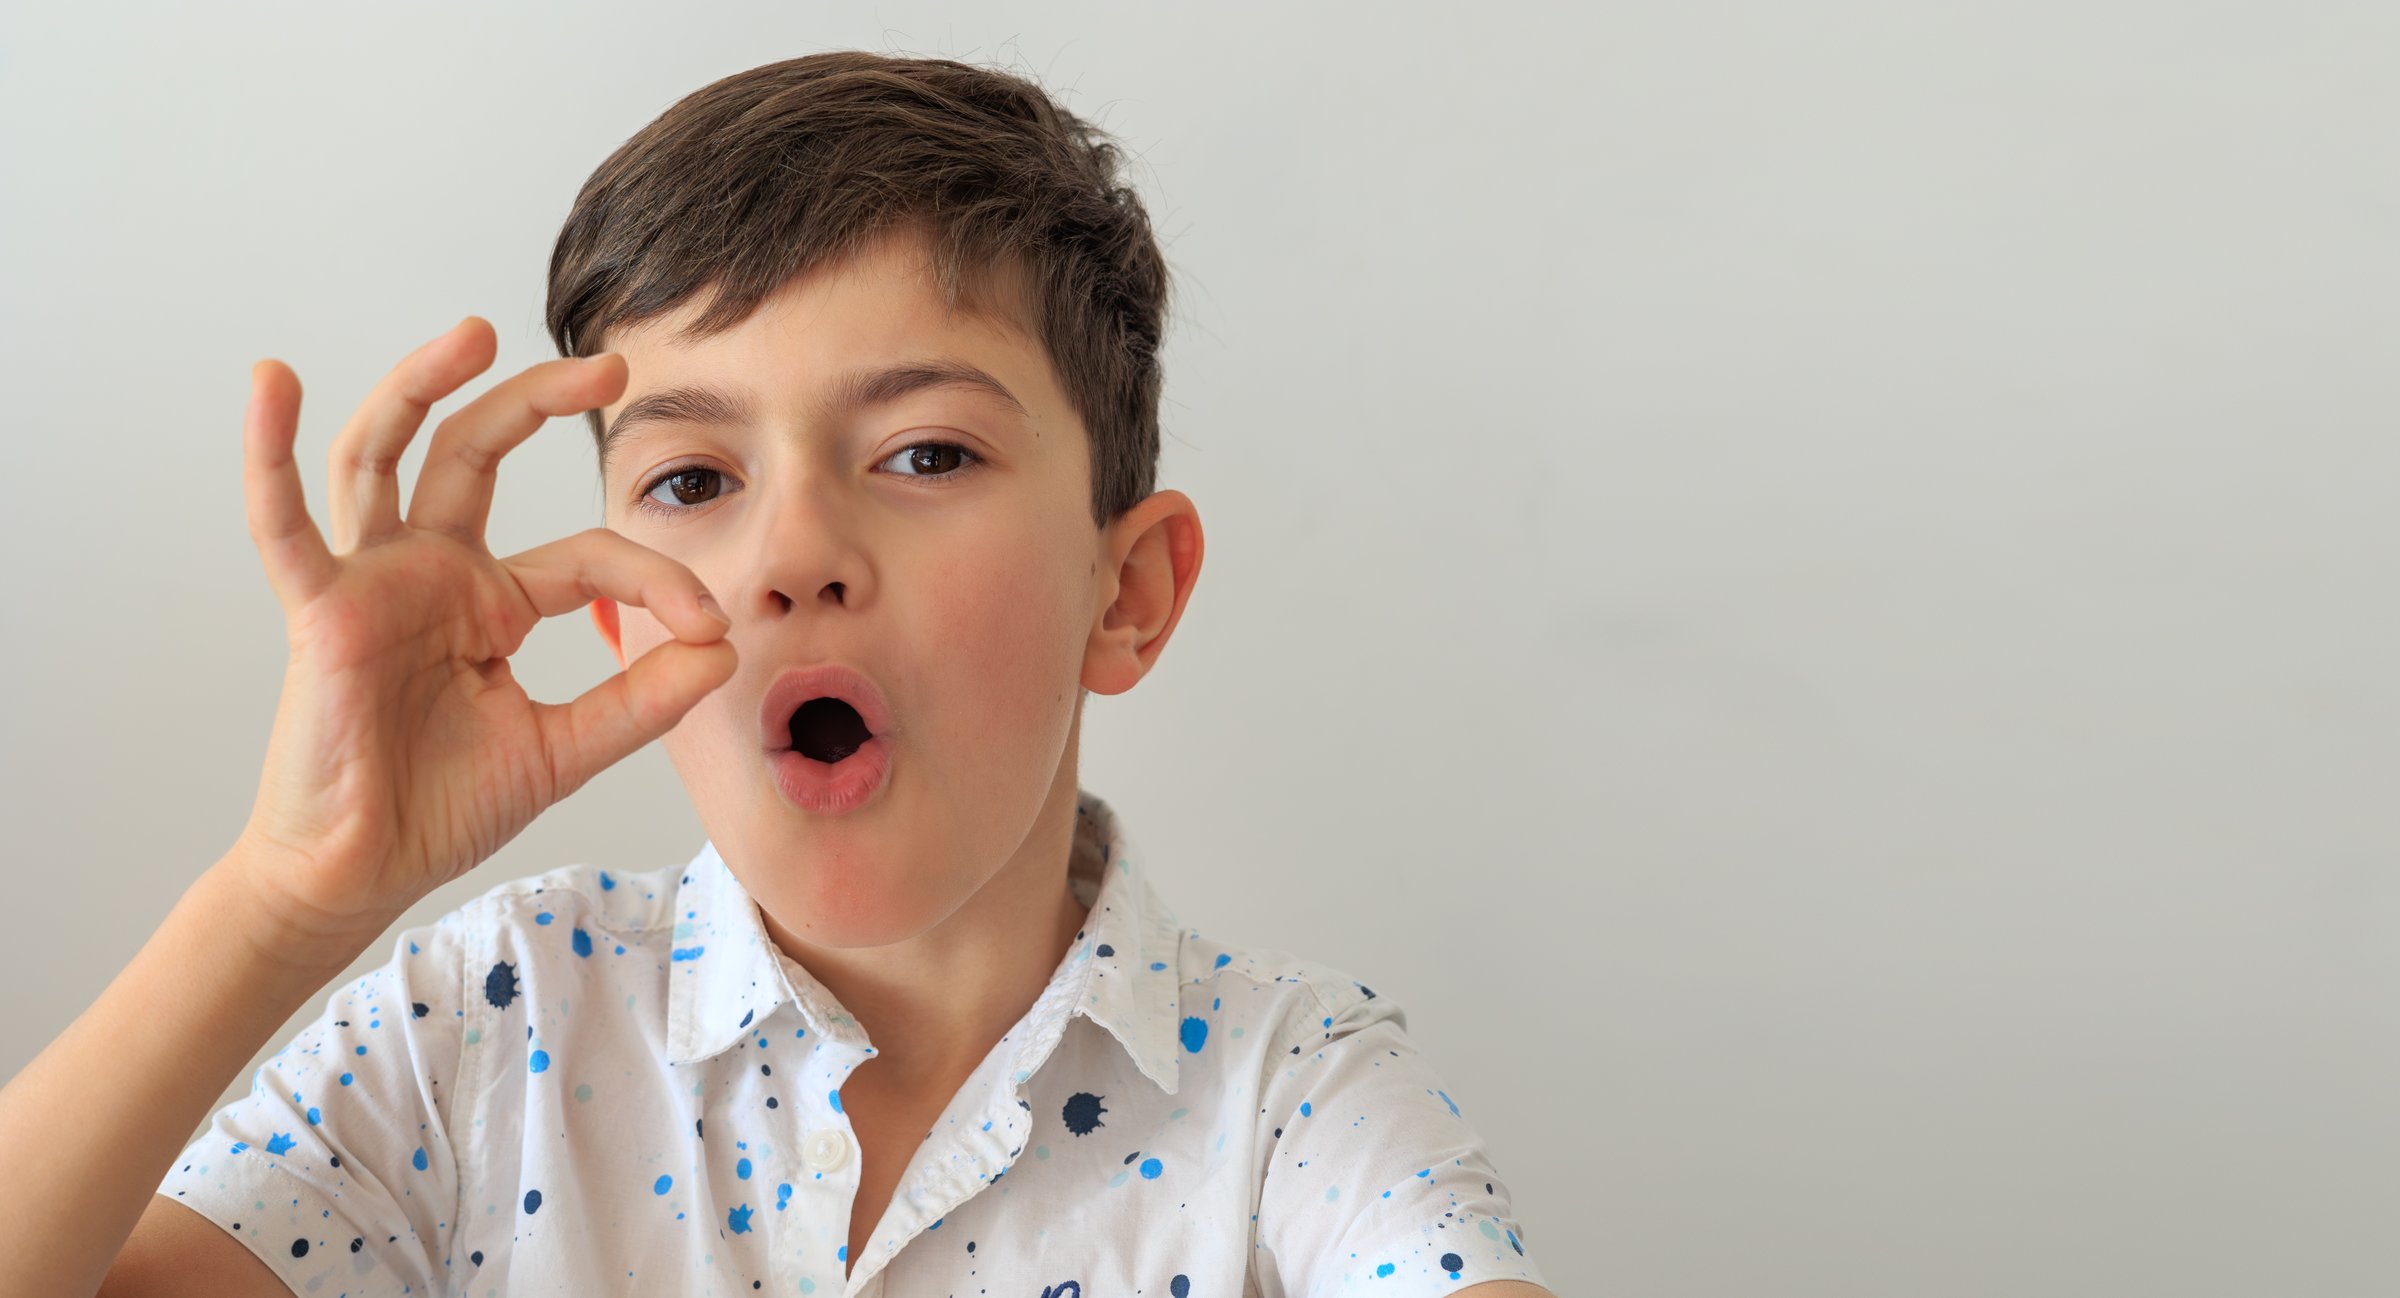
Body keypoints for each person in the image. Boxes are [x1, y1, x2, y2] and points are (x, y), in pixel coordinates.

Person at [1, 51, 1554, 1298]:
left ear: (1127, 593)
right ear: (623, 617)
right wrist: (285, 898)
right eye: (693, 479)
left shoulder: (1293, 1096)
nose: (794, 552)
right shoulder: (482, 1024)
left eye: (924, 452)